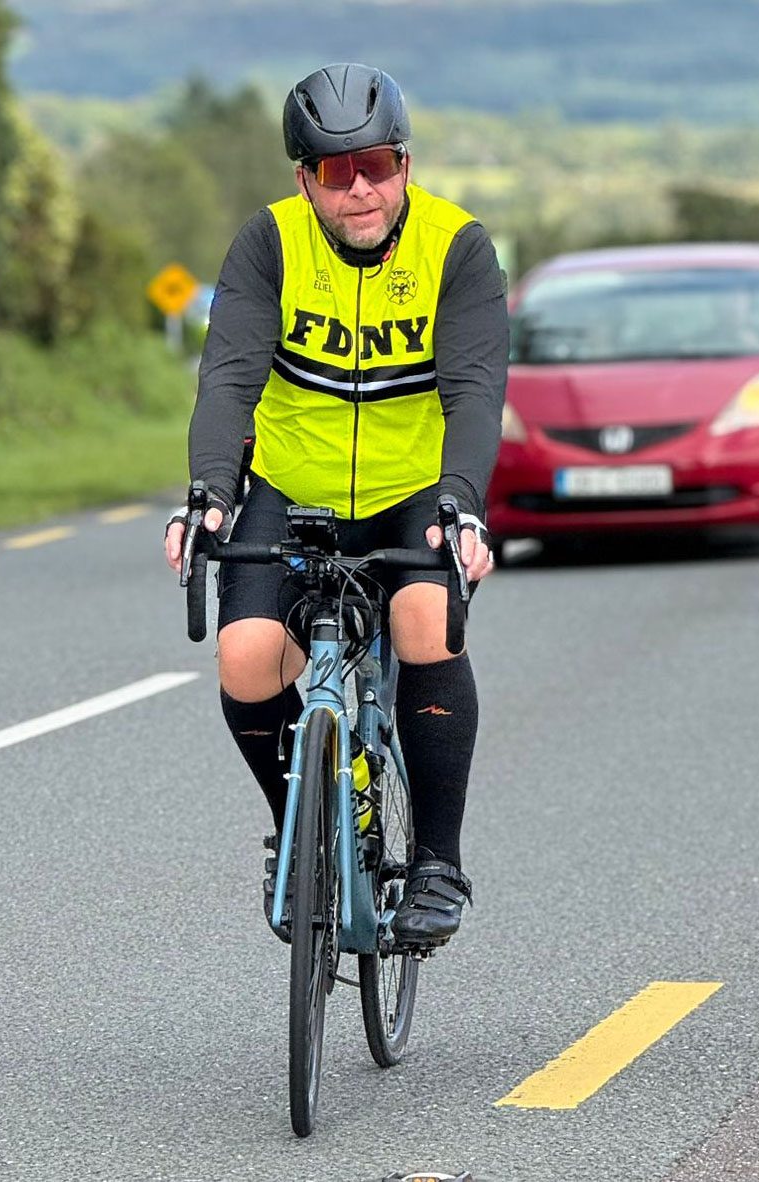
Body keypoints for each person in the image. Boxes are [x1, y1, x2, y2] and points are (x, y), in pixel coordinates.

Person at [164, 62, 508, 950]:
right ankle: (302, 827)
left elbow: (475, 393)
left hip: (412, 493)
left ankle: (437, 864)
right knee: (246, 660)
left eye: (378, 165)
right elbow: (230, 377)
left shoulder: (456, 247)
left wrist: (462, 503)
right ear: (304, 180)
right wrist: (209, 494)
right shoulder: (270, 244)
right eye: (335, 170)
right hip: (293, 490)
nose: (361, 189)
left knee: (425, 622)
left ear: (405, 163)